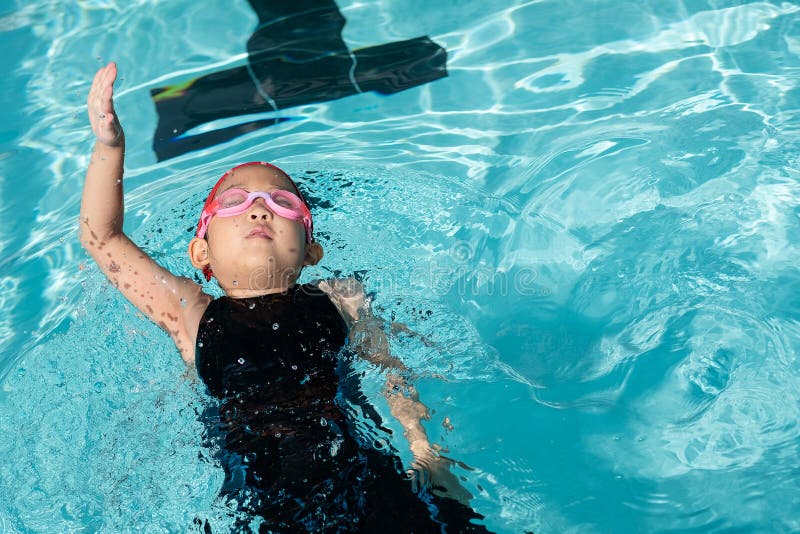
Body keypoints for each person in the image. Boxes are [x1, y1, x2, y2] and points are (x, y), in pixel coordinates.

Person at [81, 62, 490, 532]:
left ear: (311, 250)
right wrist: (109, 148)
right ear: (201, 251)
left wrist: (425, 450)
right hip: (266, 509)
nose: (258, 209)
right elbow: (103, 239)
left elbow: (390, 372)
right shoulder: (190, 315)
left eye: (283, 203)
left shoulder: (342, 298)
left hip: (366, 480)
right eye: (233, 203)